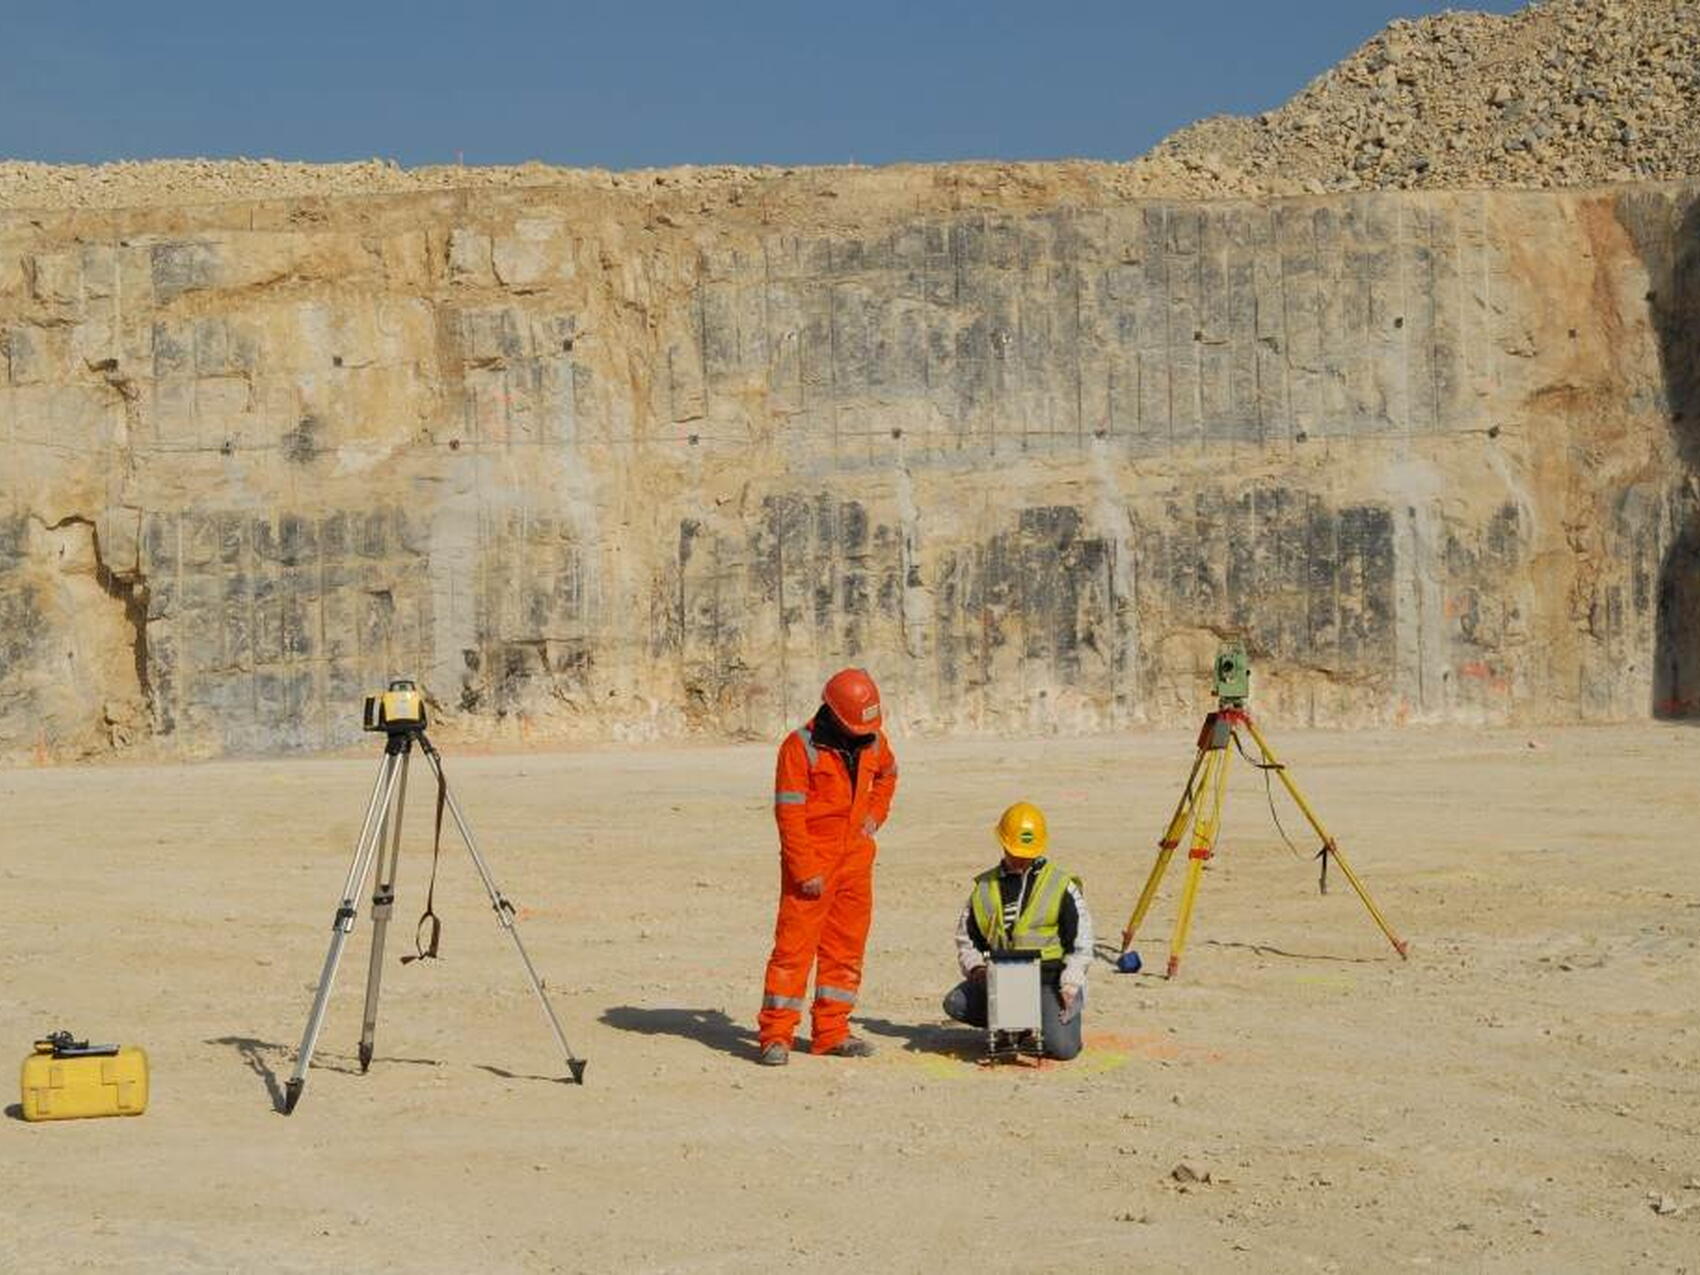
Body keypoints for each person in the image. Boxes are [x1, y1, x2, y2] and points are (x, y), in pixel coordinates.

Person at [757, 668, 899, 1065]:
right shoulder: (799, 748)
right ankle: (776, 1035)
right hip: (813, 863)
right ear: (835, 715)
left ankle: (832, 1032)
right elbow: (789, 814)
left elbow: (889, 774)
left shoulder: (874, 740)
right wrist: (804, 870)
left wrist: (875, 814)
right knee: (793, 951)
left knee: (846, 950)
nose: (862, 732)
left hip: (855, 861)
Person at [942, 801, 1093, 1061]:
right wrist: (977, 969)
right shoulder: (984, 888)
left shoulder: (1060, 885)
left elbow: (1081, 943)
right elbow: (967, 940)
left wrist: (1070, 984)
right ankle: (1013, 1025)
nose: (1022, 858)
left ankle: (1048, 1018)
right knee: (957, 1002)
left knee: (1062, 1048)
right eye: (1016, 852)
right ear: (1003, 844)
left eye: (1028, 853)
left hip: (1051, 982)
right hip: (1002, 980)